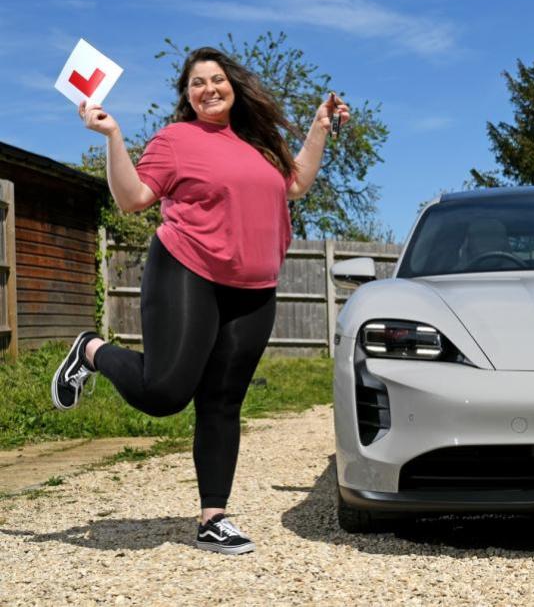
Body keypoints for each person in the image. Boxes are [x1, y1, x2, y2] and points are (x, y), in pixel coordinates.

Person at [50, 47, 349, 555]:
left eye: (216, 79)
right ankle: (92, 351)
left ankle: (213, 517)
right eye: (196, 83)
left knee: (223, 401)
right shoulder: (176, 140)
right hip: (188, 270)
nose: (208, 88)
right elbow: (133, 198)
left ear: (233, 85)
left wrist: (319, 127)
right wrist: (113, 137)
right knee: (164, 392)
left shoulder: (261, 142)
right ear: (187, 95)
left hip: (254, 288)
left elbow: (295, 184)